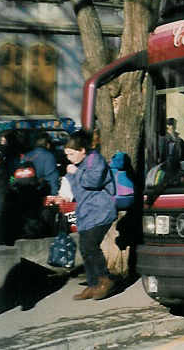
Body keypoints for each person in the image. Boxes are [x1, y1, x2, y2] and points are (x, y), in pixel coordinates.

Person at [64, 129, 117, 301]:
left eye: (71, 153)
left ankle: (105, 280)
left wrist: (75, 173)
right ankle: (93, 284)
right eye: (66, 154)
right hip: (86, 213)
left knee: (90, 246)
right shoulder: (78, 165)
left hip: (101, 211)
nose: (68, 158)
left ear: (82, 150)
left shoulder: (96, 161)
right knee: (85, 249)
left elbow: (92, 182)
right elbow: (75, 190)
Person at [22, 132, 60, 196]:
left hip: (25, 191)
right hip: (41, 192)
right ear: (48, 144)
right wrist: (54, 195)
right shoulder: (49, 156)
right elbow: (52, 177)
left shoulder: (25, 155)